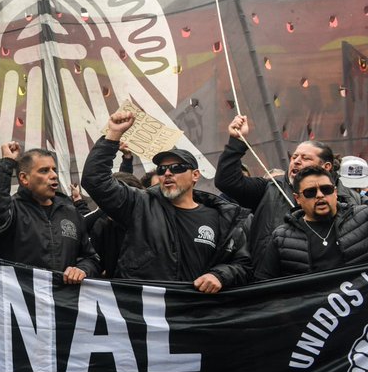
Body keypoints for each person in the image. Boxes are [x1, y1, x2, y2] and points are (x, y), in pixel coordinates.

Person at [82, 111, 252, 291]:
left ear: (195, 175)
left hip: (198, 314)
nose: (168, 173)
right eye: (162, 170)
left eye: (177, 168)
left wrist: (219, 275)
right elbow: (95, 180)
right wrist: (113, 135)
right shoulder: (139, 205)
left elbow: (243, 265)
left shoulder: (222, 217)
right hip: (147, 313)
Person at [216, 114, 359, 261]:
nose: (296, 161)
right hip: (275, 277)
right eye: (294, 157)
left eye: (305, 158)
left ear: (326, 166)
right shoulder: (270, 188)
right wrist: (236, 141)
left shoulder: (349, 198)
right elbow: (227, 181)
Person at [0, 143, 100, 283]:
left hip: (64, 301)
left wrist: (82, 269)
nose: (54, 175)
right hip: (23, 300)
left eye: (54, 170)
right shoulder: (12, 211)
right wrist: (6, 163)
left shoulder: (71, 213)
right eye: (44, 171)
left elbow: (91, 258)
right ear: (24, 178)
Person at [256, 167, 368, 280]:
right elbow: (266, 283)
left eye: (326, 189)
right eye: (310, 192)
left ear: (335, 192)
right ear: (297, 198)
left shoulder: (363, 217)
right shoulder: (281, 238)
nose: (320, 195)